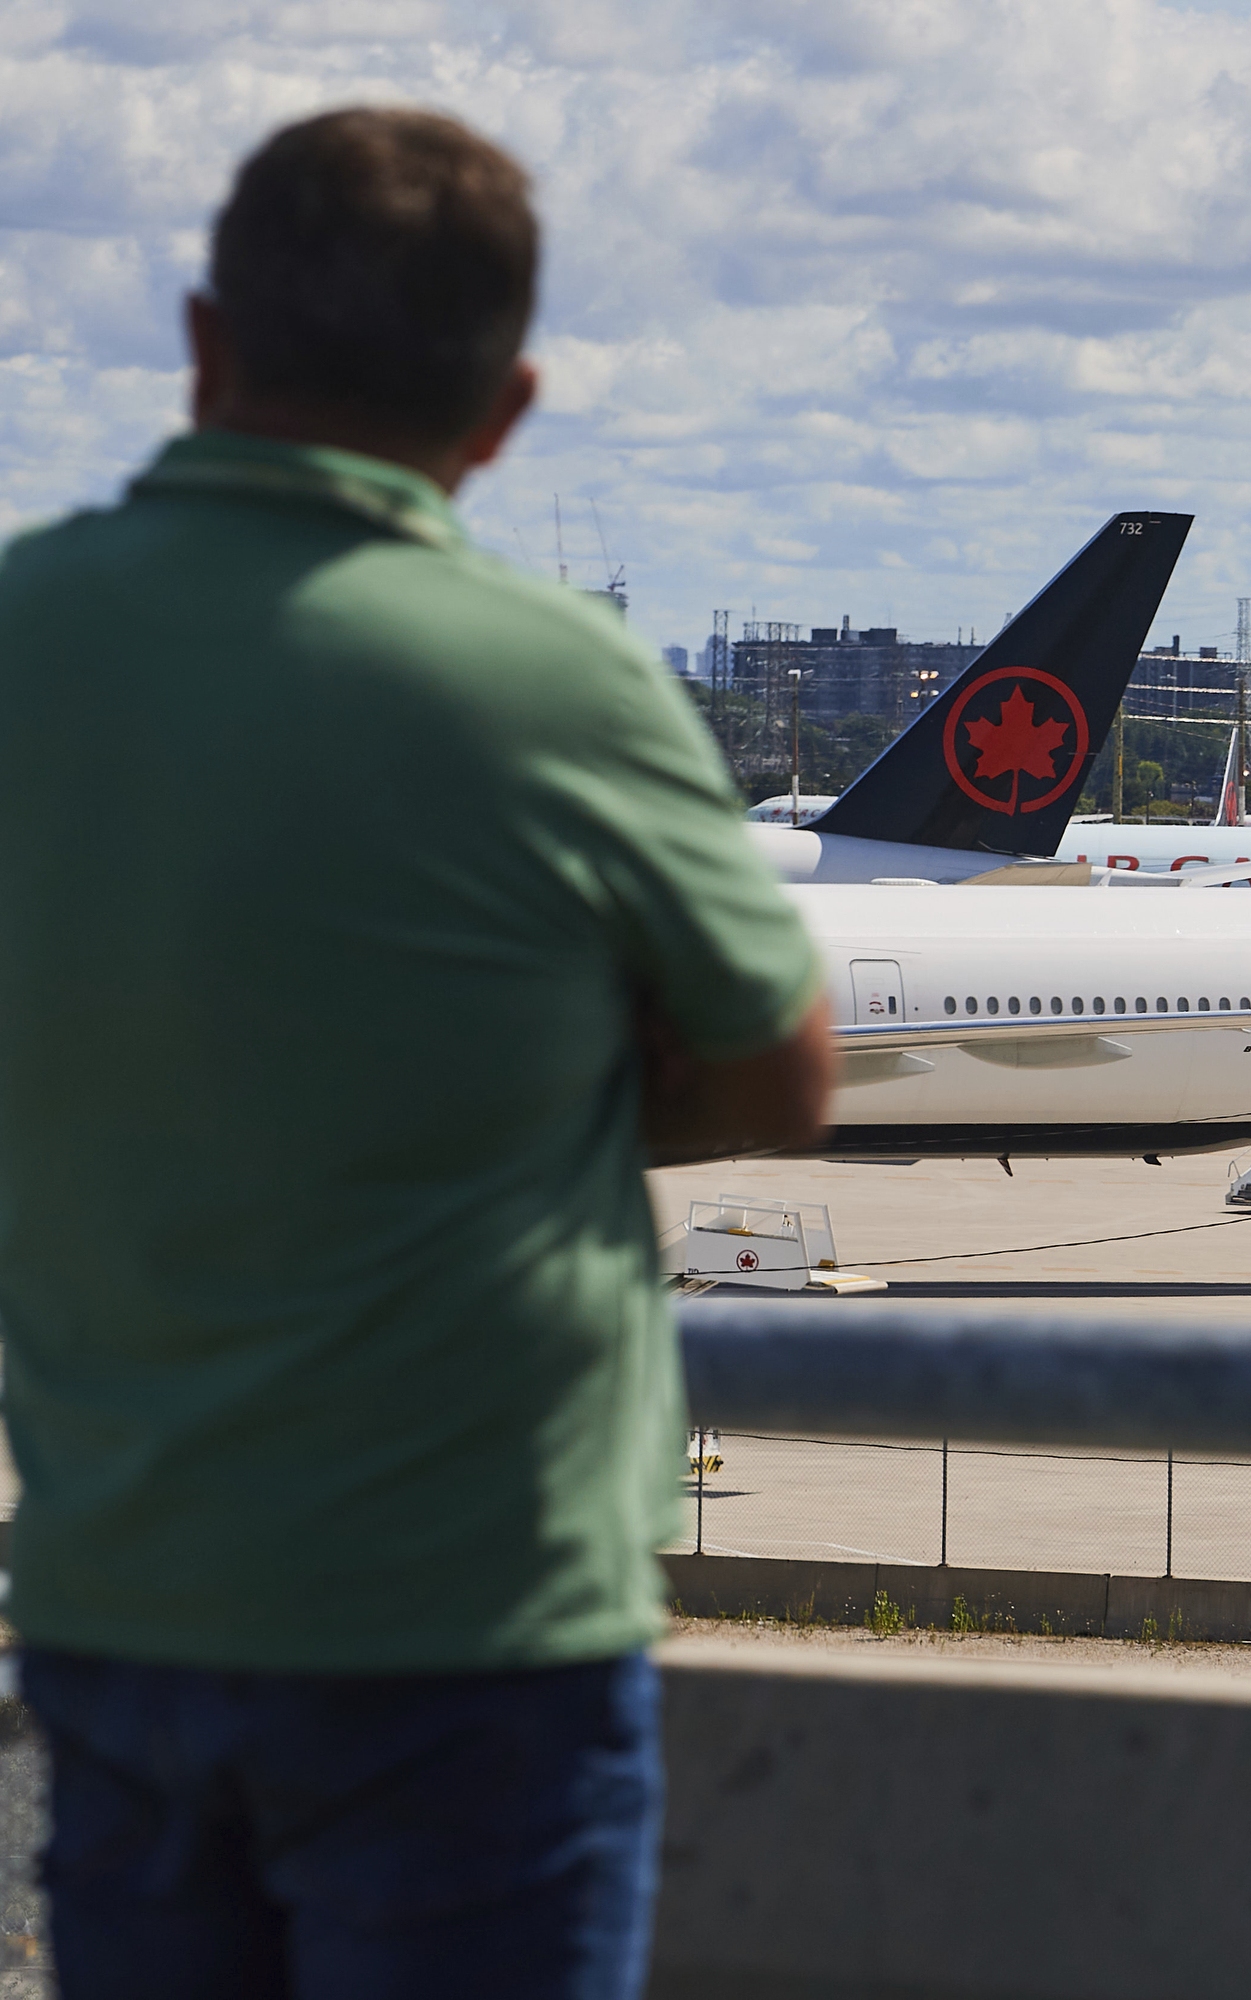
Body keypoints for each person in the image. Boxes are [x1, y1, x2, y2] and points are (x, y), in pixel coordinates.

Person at [0, 109, 834, 1996]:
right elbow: (784, 1074)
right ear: (508, 409)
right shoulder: (560, 678)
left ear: (207, 347)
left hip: (120, 1596)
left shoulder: (26, 635)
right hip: (470, 1621)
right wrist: (542, 1087)